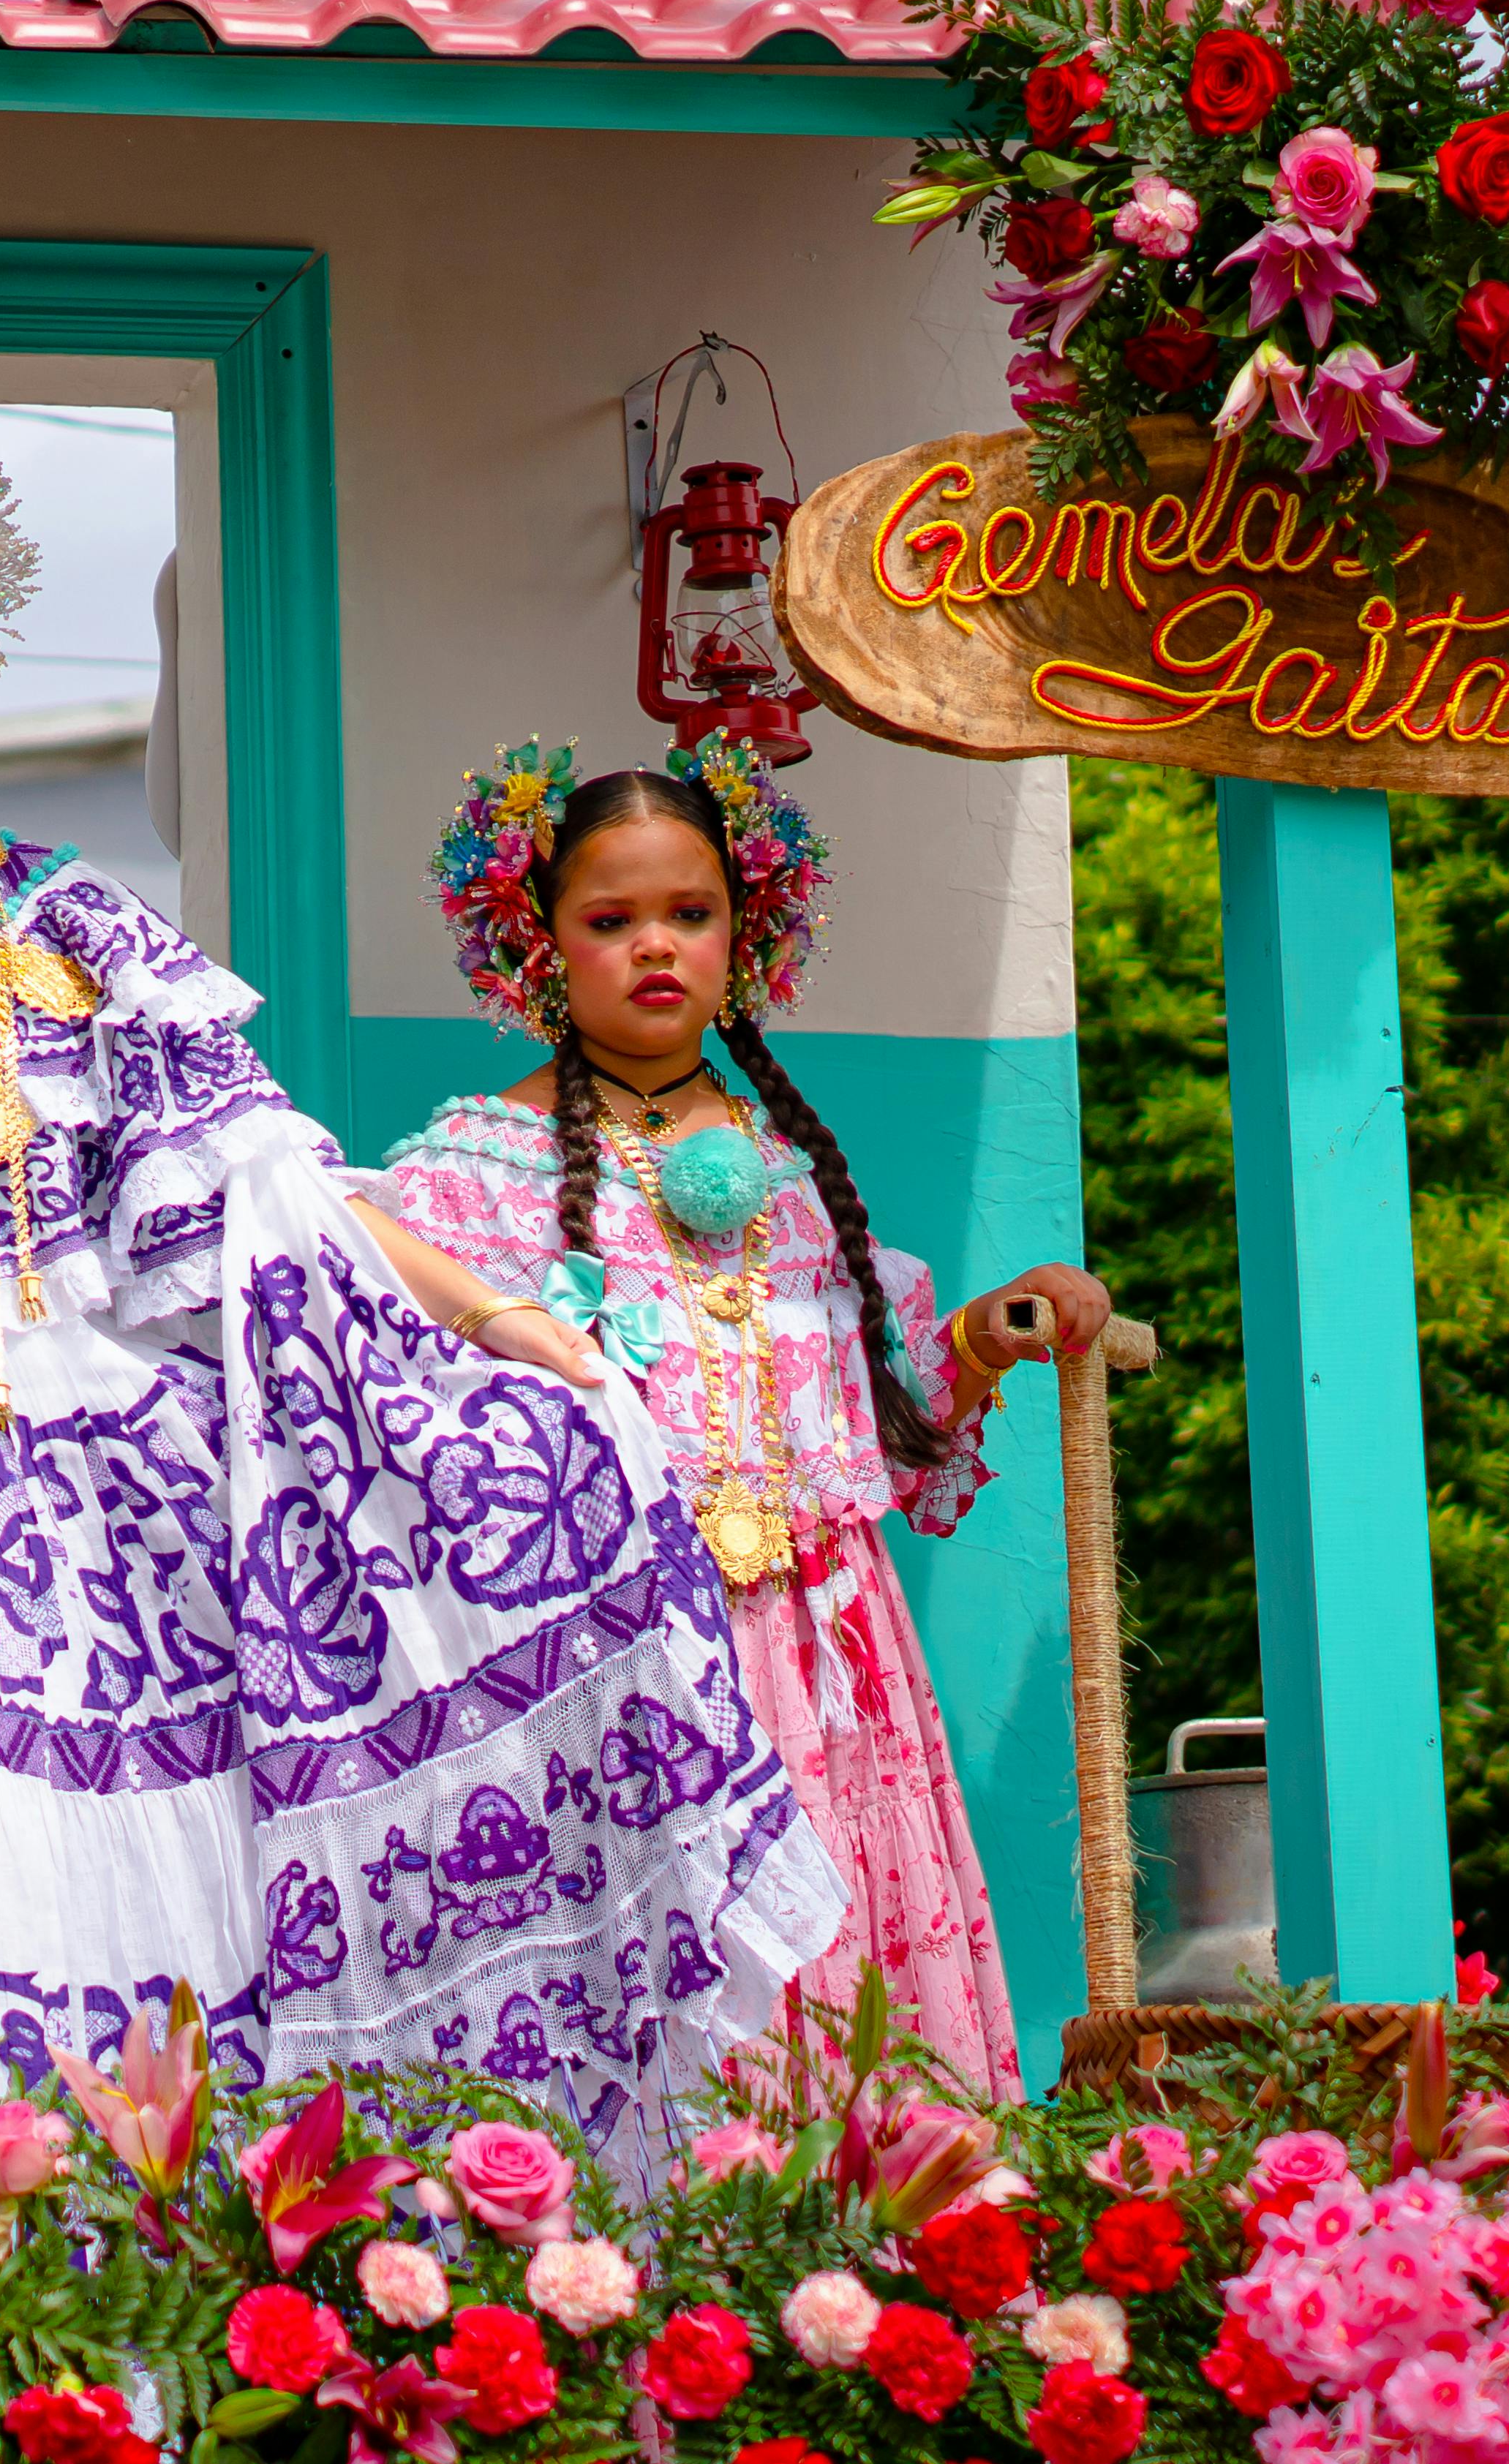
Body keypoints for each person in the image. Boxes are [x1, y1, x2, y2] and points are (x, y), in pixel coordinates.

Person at [0, 393, 848, 2136]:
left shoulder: (61, 909)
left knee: (76, 1887)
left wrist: (497, 1320)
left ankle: (85, 2344)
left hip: (65, 1510)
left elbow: (269, 1181)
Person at [381, 740, 1108, 2095]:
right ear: (535, 943)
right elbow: (381, 1345)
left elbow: (880, 1413)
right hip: (627, 1662)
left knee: (850, 2027)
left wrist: (985, 1336)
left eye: (690, 913)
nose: (656, 947)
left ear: (744, 930)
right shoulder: (471, 1171)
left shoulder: (796, 1174)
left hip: (835, 1664)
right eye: (610, 921)